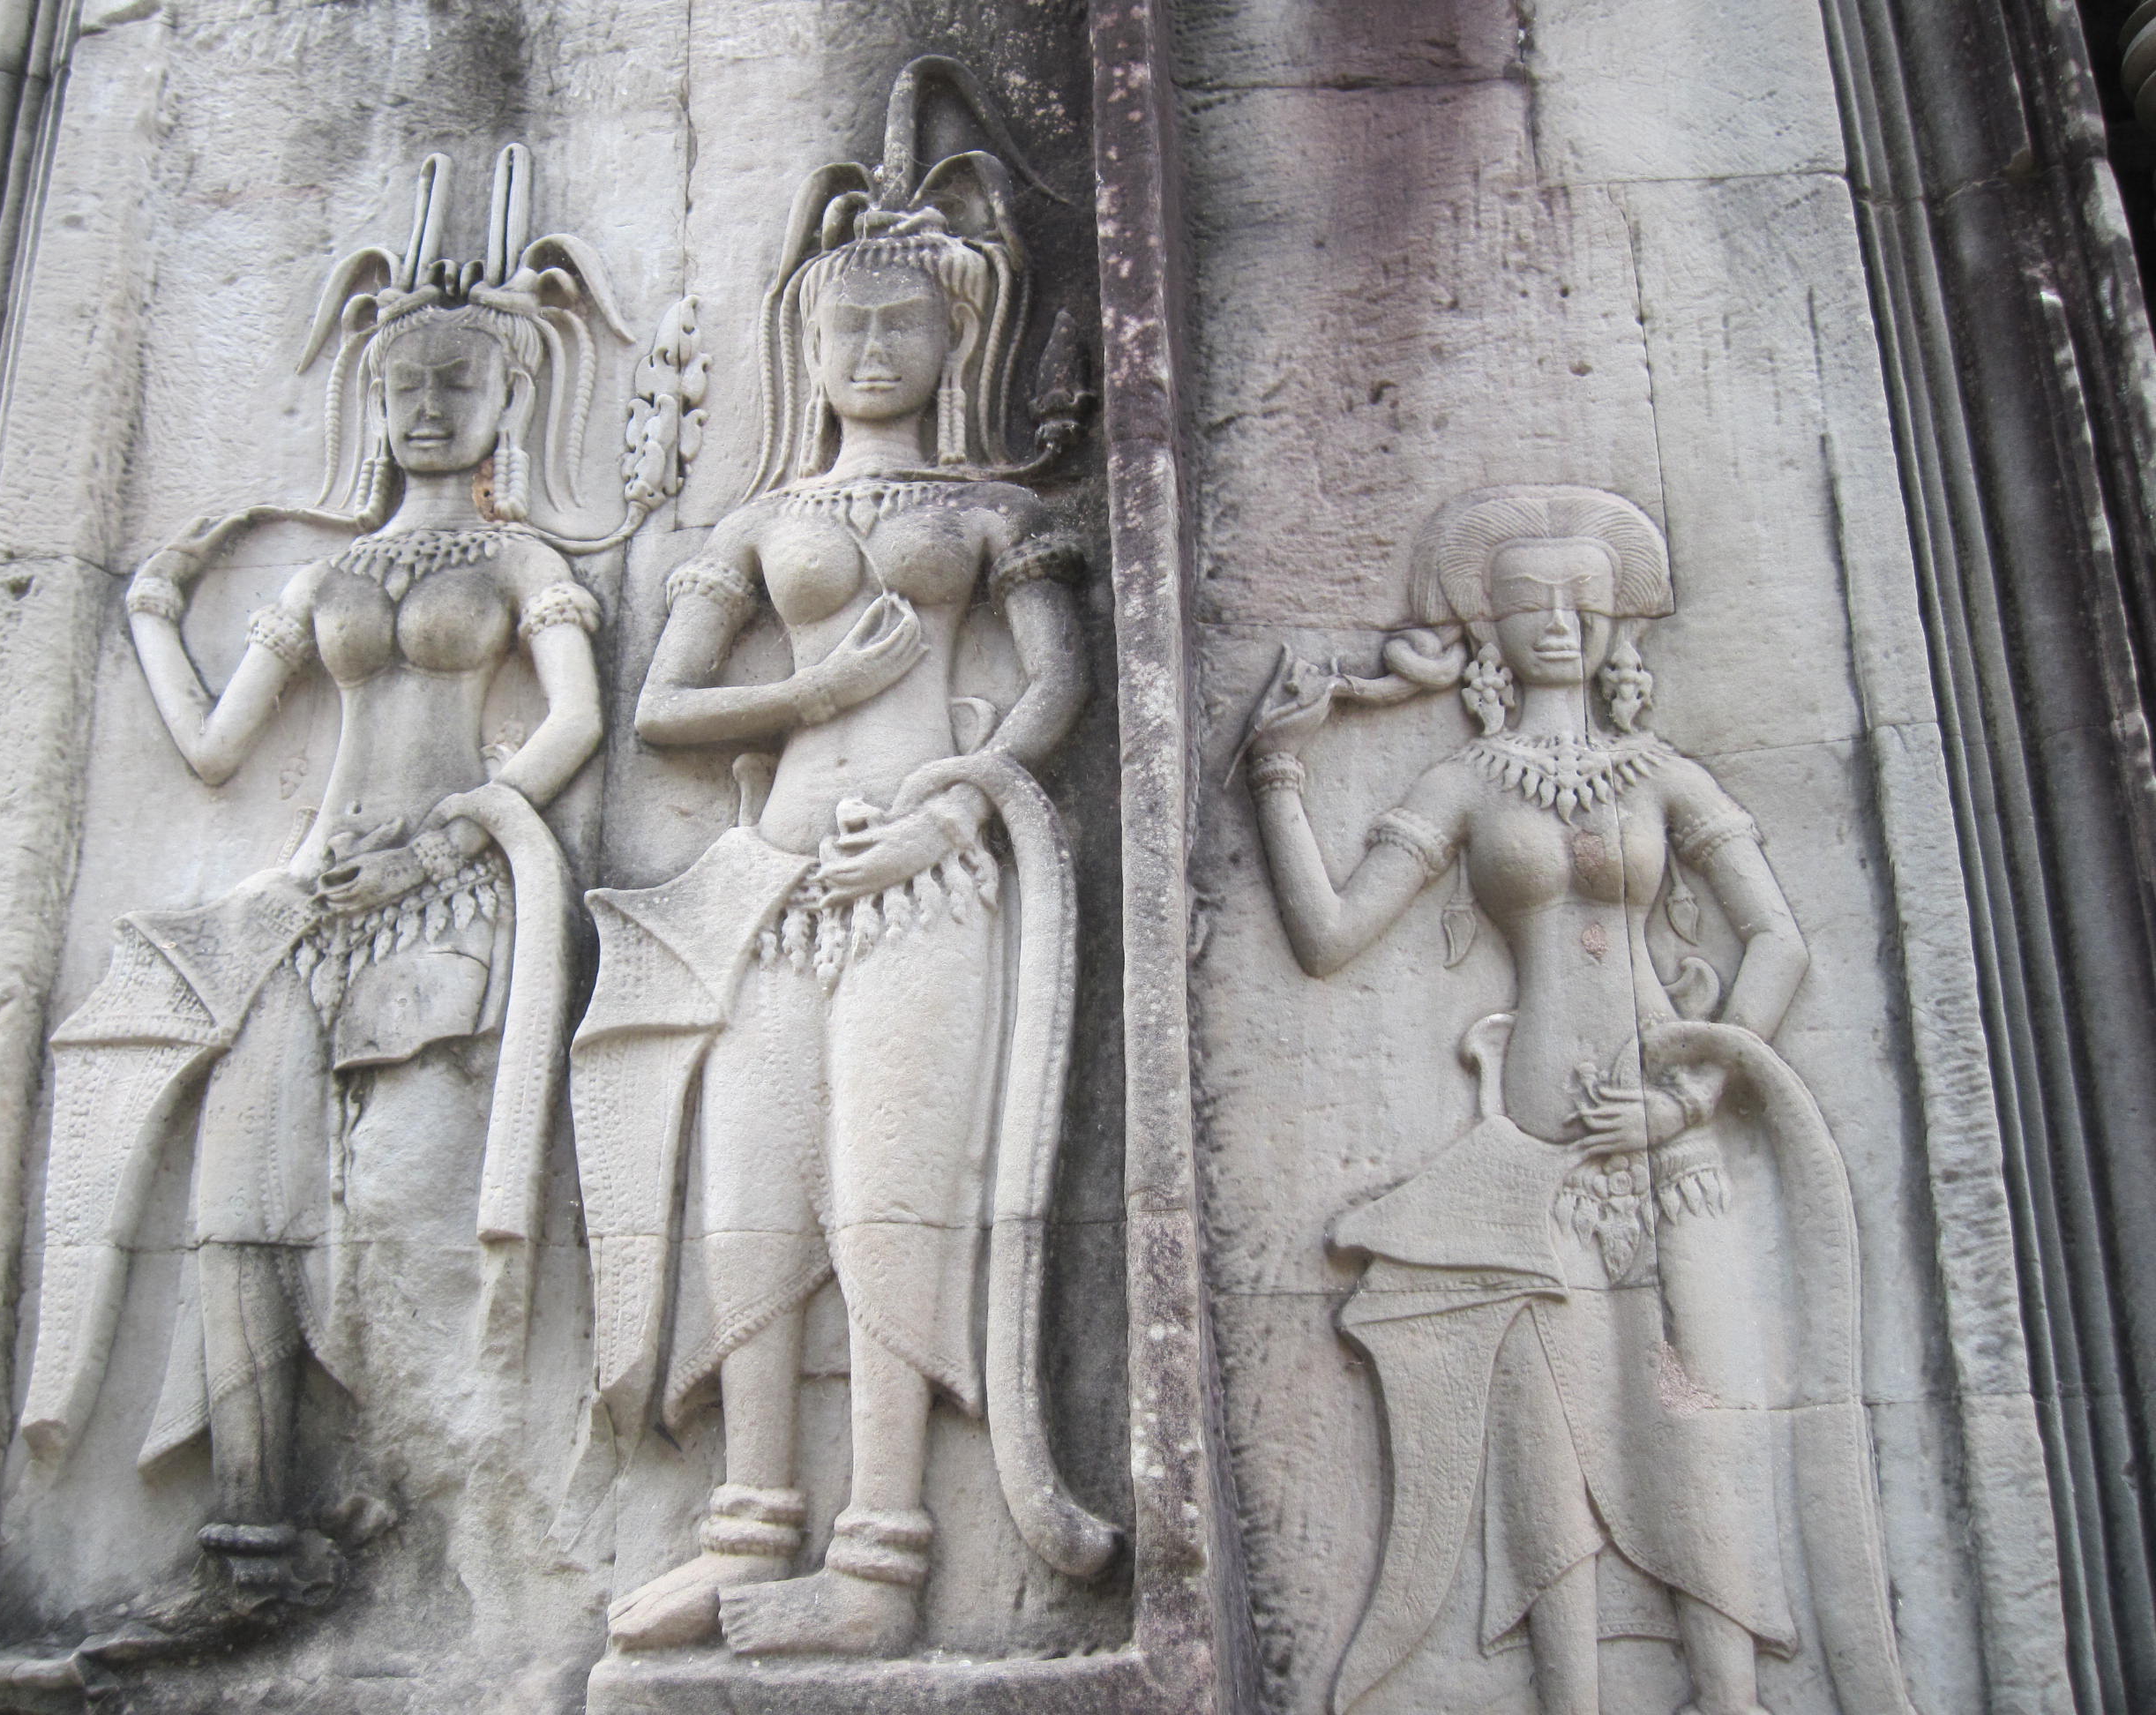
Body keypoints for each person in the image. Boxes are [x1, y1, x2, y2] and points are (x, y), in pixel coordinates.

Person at [569, 56, 1116, 1663]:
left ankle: (880, 1553)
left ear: (957, 339)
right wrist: (813, 697)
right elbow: (665, 710)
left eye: (901, 325)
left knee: (890, 1196)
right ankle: (748, 1526)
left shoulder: (991, 508)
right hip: (774, 882)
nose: (871, 350)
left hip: (929, 877)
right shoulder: (758, 524)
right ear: (804, 348)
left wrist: (956, 800)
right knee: (750, 1197)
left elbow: (1055, 684)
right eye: (844, 328)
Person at [17, 147, 618, 1599]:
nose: (428, 407)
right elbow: (217, 749)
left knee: (402, 1226)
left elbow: (577, 722)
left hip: (448, 899)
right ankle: (251, 1535)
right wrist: (151, 613)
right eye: (404, 384)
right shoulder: (322, 578)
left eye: (458, 383)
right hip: (306, 909)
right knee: (240, 1206)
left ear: (509, 397)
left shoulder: (524, 559)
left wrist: (454, 832)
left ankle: (445, 1530)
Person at [1242, 485, 1915, 1715]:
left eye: (1581, 603)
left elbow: (1778, 941)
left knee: (1696, 1424)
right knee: (1545, 1453)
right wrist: (1279, 770)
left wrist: (1695, 1094)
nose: (1557, 622)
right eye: (1530, 603)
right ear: (1490, 627)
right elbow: (1331, 937)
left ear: (1617, 627)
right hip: (1529, 1156)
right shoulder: (1466, 780)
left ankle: (1731, 1697)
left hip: (1669, 1149)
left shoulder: (1664, 775)